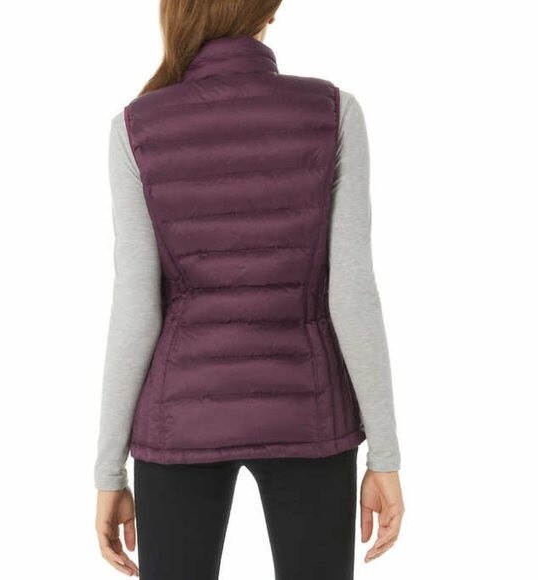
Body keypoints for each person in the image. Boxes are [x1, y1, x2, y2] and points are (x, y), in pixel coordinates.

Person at [94, 1, 405, 578]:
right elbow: (352, 293)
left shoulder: (136, 127)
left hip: (179, 419)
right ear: (270, 13)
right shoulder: (333, 112)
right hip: (309, 415)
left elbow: (136, 309)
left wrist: (108, 471)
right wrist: (384, 455)